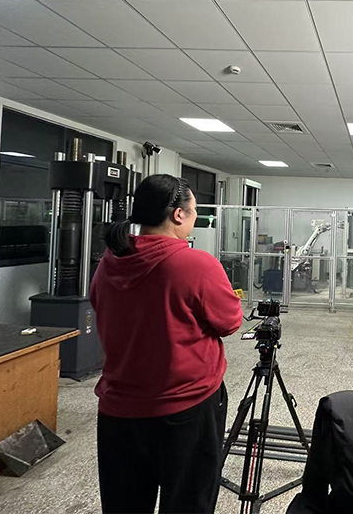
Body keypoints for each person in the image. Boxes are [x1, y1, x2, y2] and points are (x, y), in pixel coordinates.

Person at [90, 174, 243, 514]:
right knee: (188, 502)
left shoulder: (110, 262)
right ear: (178, 215)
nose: (194, 218)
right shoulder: (195, 264)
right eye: (194, 211)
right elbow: (230, 322)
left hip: (118, 411)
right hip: (185, 407)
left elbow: (103, 307)